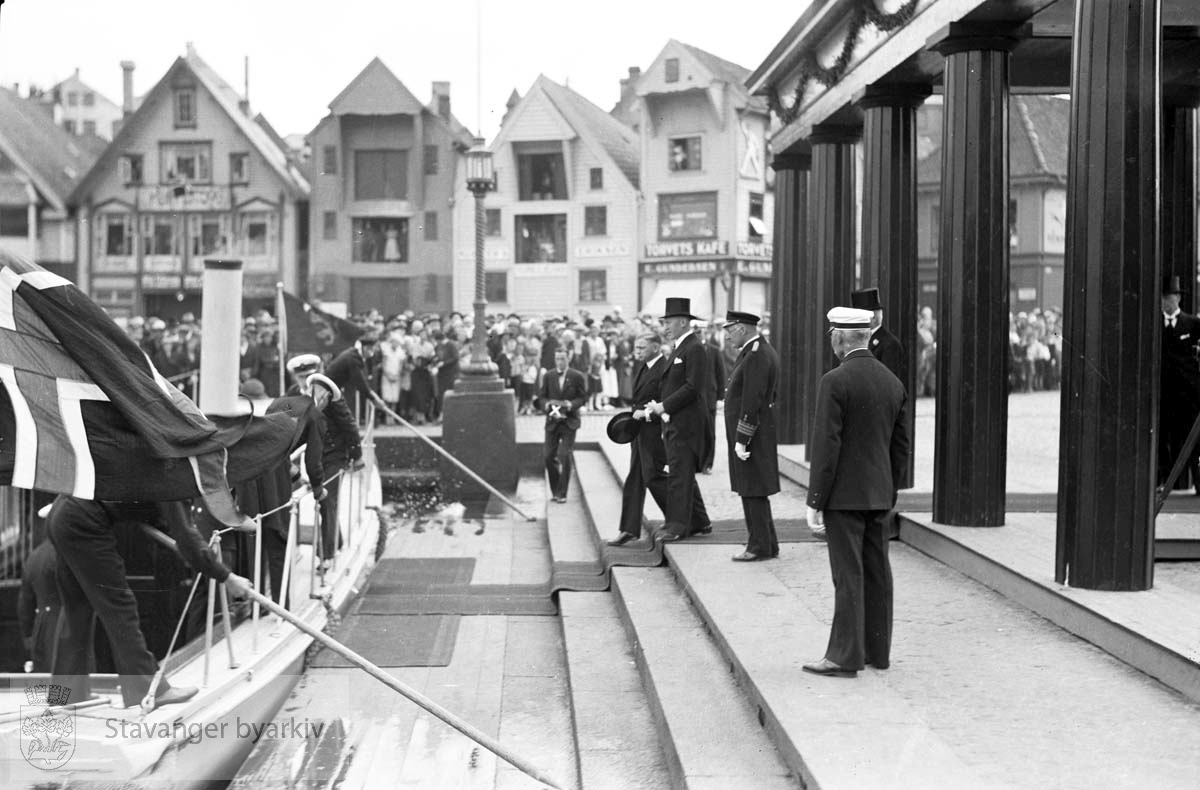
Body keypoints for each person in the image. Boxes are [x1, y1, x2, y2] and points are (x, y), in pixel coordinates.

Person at [48, 496, 252, 709]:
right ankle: (147, 690)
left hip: (61, 513)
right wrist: (227, 578)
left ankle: (67, 695)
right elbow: (185, 536)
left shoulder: (162, 469)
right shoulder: (171, 480)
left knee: (76, 609)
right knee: (119, 604)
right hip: (83, 521)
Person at [803, 307, 909, 679]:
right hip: (879, 495)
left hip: (844, 498)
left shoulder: (834, 381)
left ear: (838, 337)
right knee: (878, 573)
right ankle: (877, 653)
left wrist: (815, 499)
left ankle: (845, 656)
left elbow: (826, 446)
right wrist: (888, 489)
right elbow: (901, 448)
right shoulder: (892, 382)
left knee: (847, 575)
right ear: (865, 335)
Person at [645, 297, 711, 542]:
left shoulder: (694, 348)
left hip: (685, 423)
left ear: (683, 322)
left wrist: (664, 405)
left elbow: (693, 386)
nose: (665, 327)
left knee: (679, 475)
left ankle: (677, 526)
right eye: (664, 323)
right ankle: (701, 522)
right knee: (682, 472)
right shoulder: (680, 347)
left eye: (669, 322)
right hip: (674, 421)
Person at [722, 311, 781, 562]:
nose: (726, 337)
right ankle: (767, 543)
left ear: (742, 329)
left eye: (729, 331)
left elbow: (752, 400)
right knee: (754, 489)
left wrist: (742, 438)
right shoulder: (756, 351)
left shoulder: (756, 355)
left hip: (752, 434)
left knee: (752, 490)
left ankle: (758, 546)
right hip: (756, 432)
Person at [607, 333, 671, 546]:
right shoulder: (645, 366)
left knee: (653, 476)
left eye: (642, 348)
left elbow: (666, 401)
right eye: (636, 348)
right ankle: (628, 529)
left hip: (654, 432)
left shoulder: (664, 368)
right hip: (639, 432)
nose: (637, 352)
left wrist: (645, 413)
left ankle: (679, 516)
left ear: (655, 347)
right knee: (635, 480)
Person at [306, 374, 362, 562]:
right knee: (327, 502)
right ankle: (336, 541)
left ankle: (327, 555)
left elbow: (350, 427)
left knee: (327, 500)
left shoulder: (337, 405)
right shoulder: (307, 404)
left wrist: (357, 456)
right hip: (318, 457)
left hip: (335, 457)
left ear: (327, 396)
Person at [1158, 275, 1200, 491]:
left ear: (1177, 299)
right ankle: (1161, 481)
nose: (1165, 301)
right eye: (1163, 297)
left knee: (1193, 439)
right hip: (1164, 393)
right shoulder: (1155, 326)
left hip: (1188, 394)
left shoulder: (1192, 324)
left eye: (1169, 297)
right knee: (1161, 437)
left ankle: (1198, 481)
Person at [536, 347, 588, 503]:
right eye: (557, 358)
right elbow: (542, 396)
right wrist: (546, 405)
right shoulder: (548, 375)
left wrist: (571, 404)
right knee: (548, 456)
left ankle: (562, 492)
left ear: (568, 359)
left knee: (564, 455)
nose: (560, 362)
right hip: (552, 422)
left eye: (563, 359)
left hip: (569, 422)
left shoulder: (576, 376)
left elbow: (582, 397)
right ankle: (556, 489)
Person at [19, 530, 60, 673]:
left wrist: (28, 637)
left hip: (40, 626)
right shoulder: (69, 552)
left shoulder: (34, 556)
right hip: (68, 623)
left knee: (43, 682)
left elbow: (25, 604)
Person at [851, 287, 905, 382]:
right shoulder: (856, 340)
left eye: (859, 317)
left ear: (873, 318)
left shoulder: (890, 345)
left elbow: (888, 382)